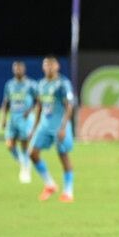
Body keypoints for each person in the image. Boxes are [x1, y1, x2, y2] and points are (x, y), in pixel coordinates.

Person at [28, 56, 75, 202]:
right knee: (32, 154)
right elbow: (39, 107)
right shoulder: (40, 84)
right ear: (43, 67)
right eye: (46, 65)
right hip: (44, 125)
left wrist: (63, 128)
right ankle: (49, 184)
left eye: (51, 65)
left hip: (59, 126)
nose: (48, 67)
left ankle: (68, 191)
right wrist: (34, 128)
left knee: (63, 156)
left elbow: (69, 106)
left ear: (57, 67)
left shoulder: (63, 84)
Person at [1, 61, 37, 183]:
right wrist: (3, 117)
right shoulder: (9, 85)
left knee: (24, 144)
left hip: (25, 119)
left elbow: (38, 101)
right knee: (9, 145)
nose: (18, 70)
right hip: (13, 118)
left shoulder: (31, 84)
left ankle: (25, 169)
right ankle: (23, 162)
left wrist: (30, 110)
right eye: (16, 68)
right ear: (13, 69)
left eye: (20, 68)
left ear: (24, 69)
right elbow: (6, 102)